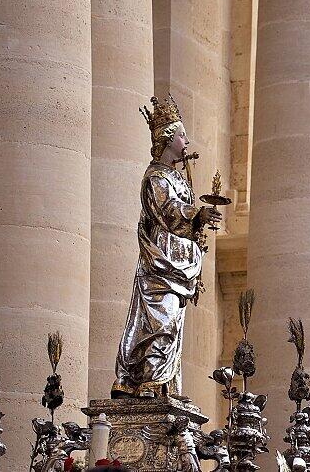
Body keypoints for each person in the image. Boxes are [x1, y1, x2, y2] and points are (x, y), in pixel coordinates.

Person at [111, 95, 222, 400]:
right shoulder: (156, 177)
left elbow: (182, 217)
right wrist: (195, 214)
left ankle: (163, 383)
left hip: (178, 262)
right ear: (168, 138)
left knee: (172, 324)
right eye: (182, 135)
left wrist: (199, 222)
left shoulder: (177, 177)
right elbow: (169, 211)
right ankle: (148, 379)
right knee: (162, 318)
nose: (187, 140)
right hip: (161, 262)